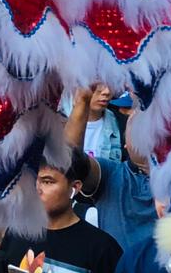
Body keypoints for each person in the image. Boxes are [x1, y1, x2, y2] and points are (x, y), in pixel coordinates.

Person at [66, 84, 157, 252]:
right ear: (125, 144)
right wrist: (82, 102)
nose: (141, 123)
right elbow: (70, 160)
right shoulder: (112, 174)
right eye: (135, 119)